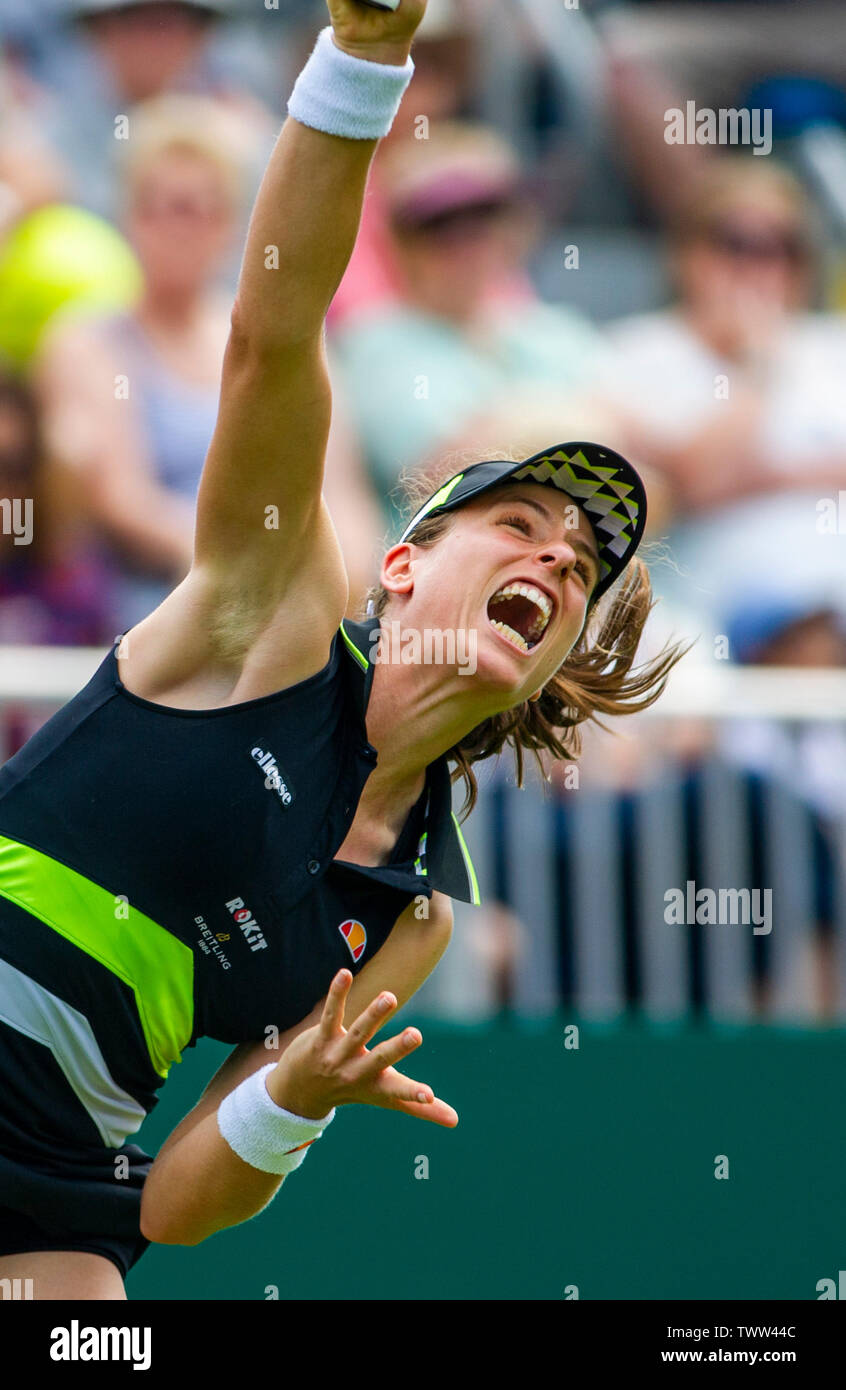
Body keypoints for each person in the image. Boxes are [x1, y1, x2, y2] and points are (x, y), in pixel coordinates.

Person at [0, 0, 682, 1300]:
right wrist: (362, 54)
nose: (552, 559)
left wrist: (292, 1095)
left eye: (577, 568)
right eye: (518, 524)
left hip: (46, 1191)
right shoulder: (270, 614)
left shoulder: (411, 916)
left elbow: (185, 1201)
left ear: (550, 666)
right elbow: (274, 335)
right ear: (403, 560)